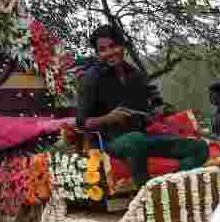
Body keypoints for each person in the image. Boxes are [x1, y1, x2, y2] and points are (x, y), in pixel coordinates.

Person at [76, 25, 209, 186]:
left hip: (142, 138)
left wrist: (160, 112)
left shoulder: (136, 75)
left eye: (113, 46)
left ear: (122, 46)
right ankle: (145, 195)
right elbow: (82, 123)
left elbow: (150, 110)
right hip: (110, 142)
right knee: (135, 139)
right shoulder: (91, 78)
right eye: (103, 49)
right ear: (98, 54)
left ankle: (167, 186)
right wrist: (109, 118)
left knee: (199, 147)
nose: (110, 52)